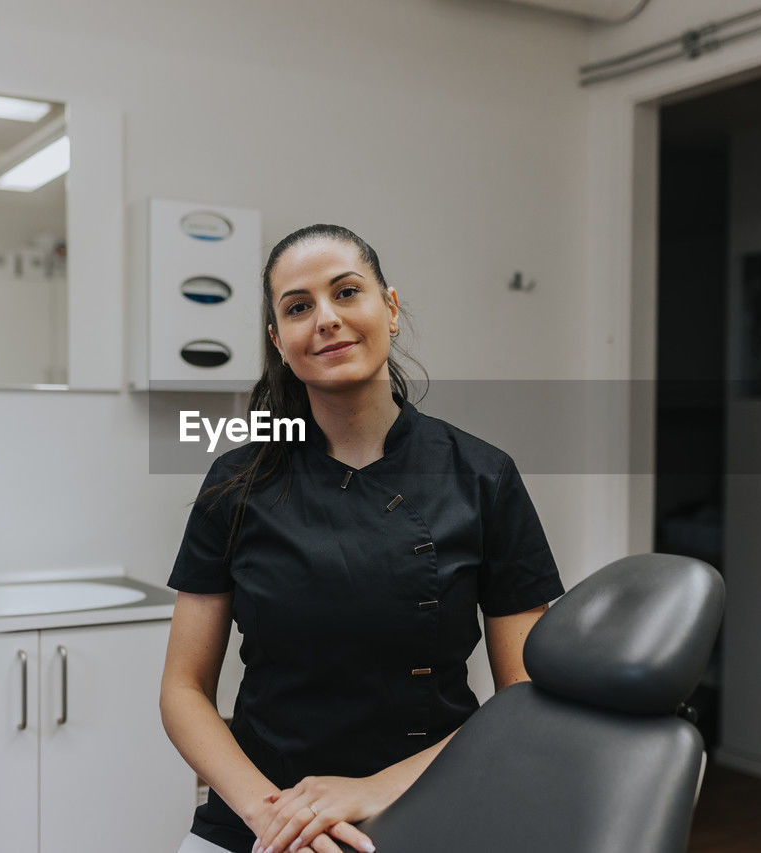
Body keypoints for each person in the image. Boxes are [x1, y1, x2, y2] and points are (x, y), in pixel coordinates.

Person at [160, 224, 564, 853]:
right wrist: (270, 814)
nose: (326, 319)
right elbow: (183, 691)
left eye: (347, 293)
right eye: (298, 307)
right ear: (278, 341)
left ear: (391, 308)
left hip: (434, 800)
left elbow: (524, 697)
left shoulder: (483, 475)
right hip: (260, 812)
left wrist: (373, 789)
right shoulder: (236, 482)